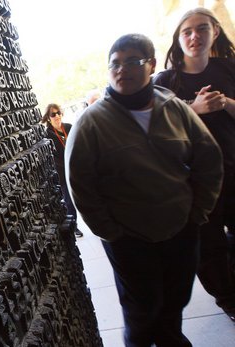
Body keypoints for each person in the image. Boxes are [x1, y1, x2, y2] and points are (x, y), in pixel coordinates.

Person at [65, 33, 223, 346]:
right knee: (142, 309)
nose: (122, 69)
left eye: (132, 61)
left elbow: (209, 159)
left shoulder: (175, 108)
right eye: (115, 63)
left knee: (175, 299)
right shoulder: (91, 123)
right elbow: (81, 185)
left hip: (181, 228)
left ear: (150, 64)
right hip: (129, 238)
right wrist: (111, 232)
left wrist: (197, 212)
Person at [153, 7, 235, 322]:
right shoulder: (165, 80)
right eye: (187, 31)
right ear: (178, 38)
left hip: (232, 167)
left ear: (215, 32)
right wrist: (195, 108)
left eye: (202, 29)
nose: (194, 36)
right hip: (193, 180)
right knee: (209, 247)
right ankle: (228, 299)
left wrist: (225, 102)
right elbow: (154, 127)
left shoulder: (228, 68)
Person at [42, 104, 83, 238]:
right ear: (48, 118)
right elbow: (53, 157)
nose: (57, 116)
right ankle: (74, 227)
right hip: (63, 173)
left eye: (58, 113)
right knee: (69, 202)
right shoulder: (47, 134)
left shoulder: (69, 127)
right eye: (53, 114)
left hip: (77, 169)